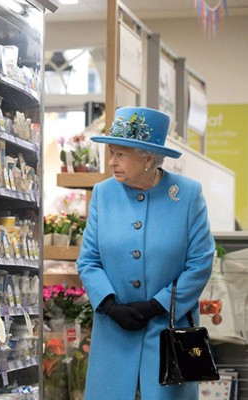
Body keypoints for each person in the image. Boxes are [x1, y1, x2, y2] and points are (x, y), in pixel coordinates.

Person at [76, 106, 215, 400]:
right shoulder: (103, 193)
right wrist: (111, 305)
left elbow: (200, 262)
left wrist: (157, 305)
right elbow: (88, 260)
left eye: (121, 154)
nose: (112, 161)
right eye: (111, 152)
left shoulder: (187, 195)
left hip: (168, 330)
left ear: (148, 158)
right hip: (114, 330)